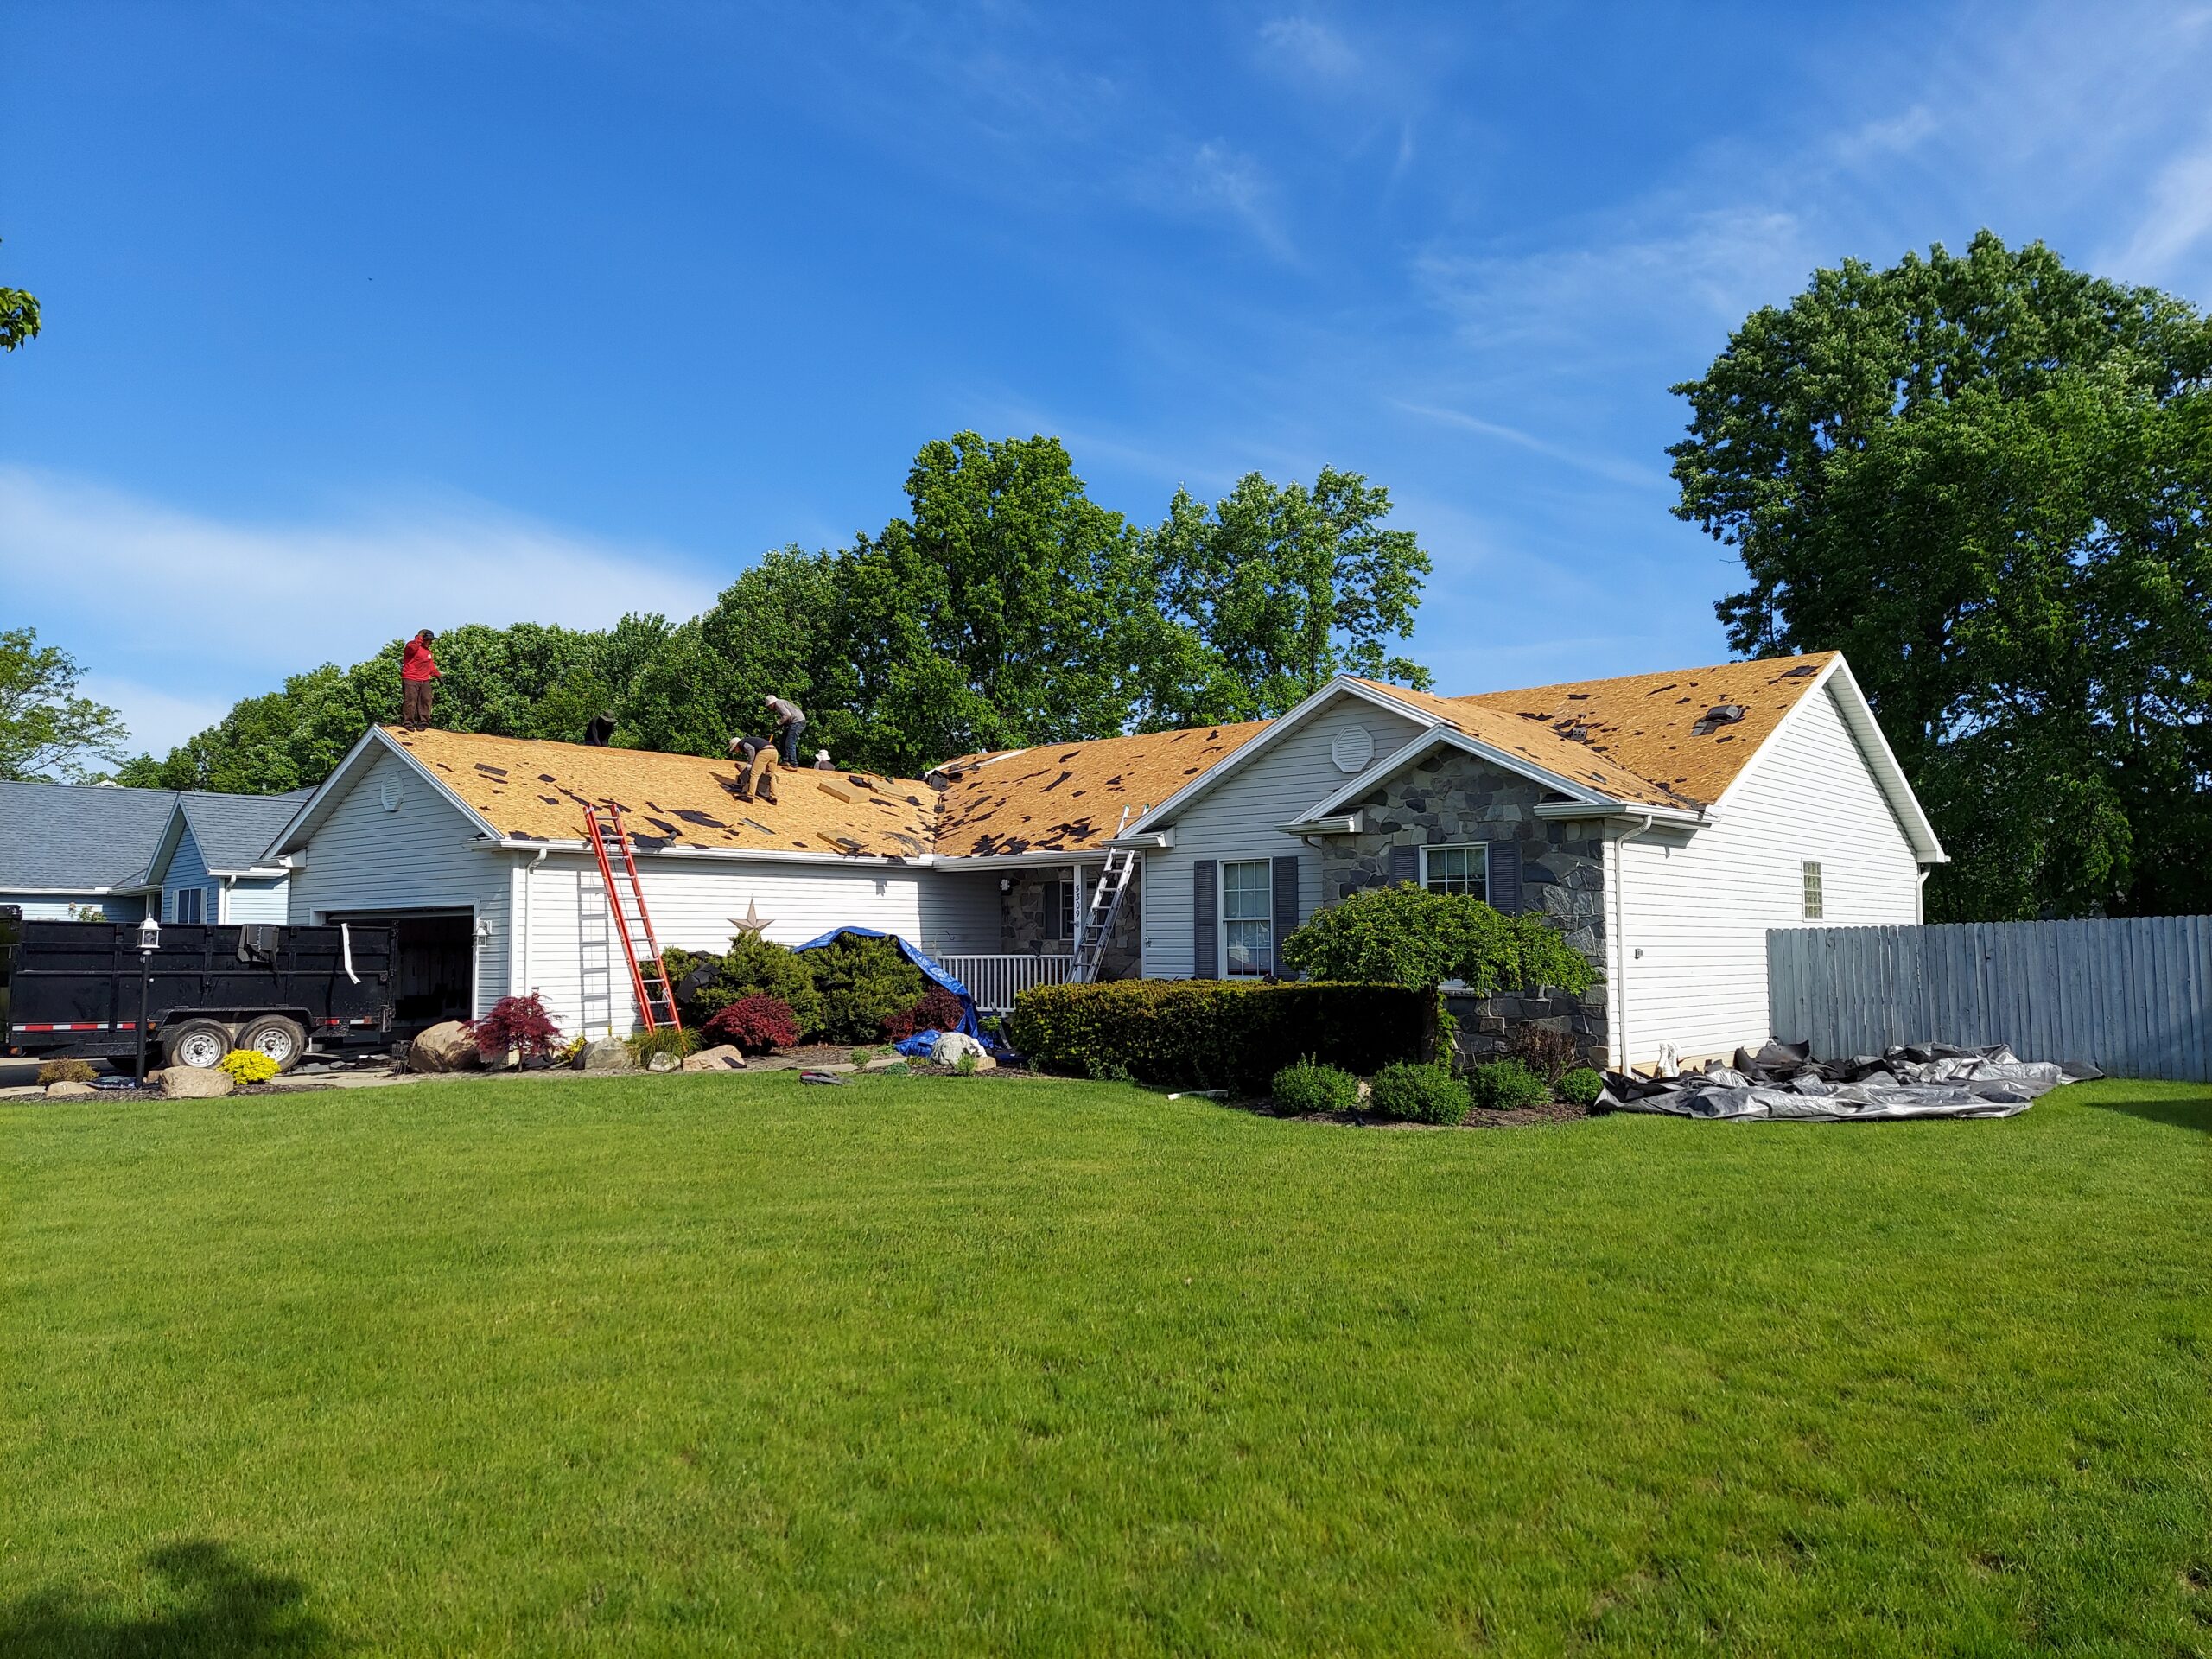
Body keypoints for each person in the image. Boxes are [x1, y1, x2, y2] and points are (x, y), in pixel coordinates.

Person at [400, 630, 442, 728]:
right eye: (429, 640)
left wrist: (438, 675)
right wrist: (419, 638)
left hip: (424, 679)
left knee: (426, 700)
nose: (431, 643)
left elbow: (430, 666)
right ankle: (408, 722)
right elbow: (412, 649)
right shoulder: (412, 646)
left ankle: (423, 722)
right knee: (411, 700)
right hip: (411, 678)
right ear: (423, 639)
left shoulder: (428, 652)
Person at [726, 734, 780, 804]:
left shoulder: (742, 743)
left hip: (765, 751)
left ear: (736, 745)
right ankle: (773, 798)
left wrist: (750, 763)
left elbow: (751, 749)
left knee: (754, 774)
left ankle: (750, 797)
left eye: (734, 749)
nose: (736, 751)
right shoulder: (750, 740)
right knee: (771, 775)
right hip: (774, 751)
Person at [763, 694, 806, 769]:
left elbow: (787, 715)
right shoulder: (781, 703)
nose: (770, 708)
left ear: (771, 704)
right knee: (783, 741)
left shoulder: (778, 704)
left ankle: (793, 764)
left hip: (797, 722)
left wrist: (778, 723)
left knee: (790, 743)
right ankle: (785, 761)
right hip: (793, 723)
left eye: (769, 706)